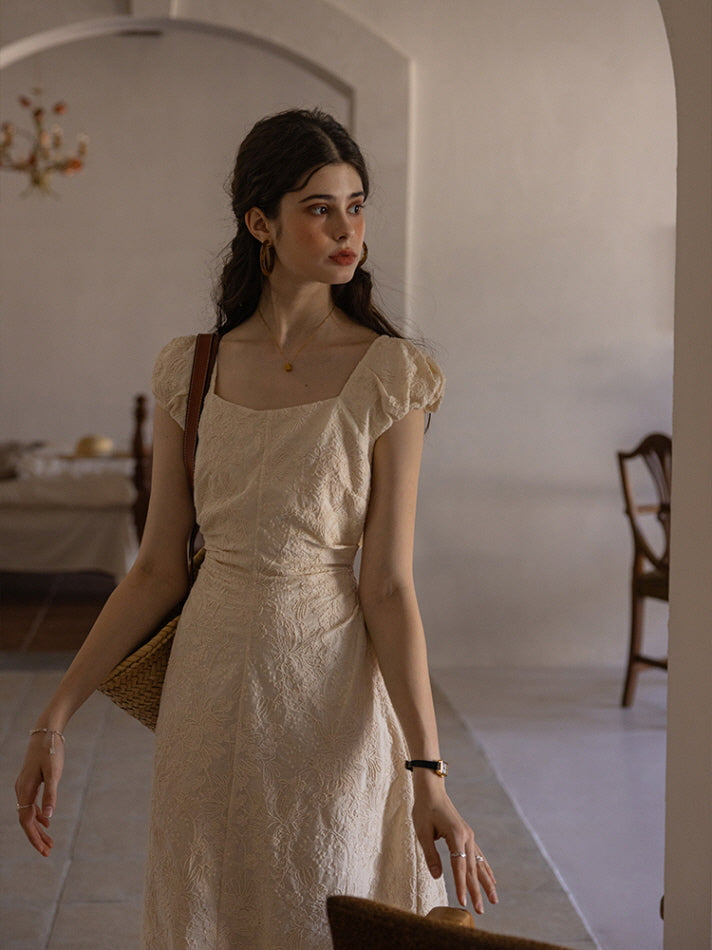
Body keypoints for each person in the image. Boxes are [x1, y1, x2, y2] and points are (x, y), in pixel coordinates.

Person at [15, 108, 498, 949]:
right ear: (260, 223)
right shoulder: (190, 366)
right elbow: (156, 569)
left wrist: (429, 774)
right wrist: (54, 716)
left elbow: (386, 585)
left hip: (330, 693)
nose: (348, 229)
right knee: (203, 912)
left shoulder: (392, 374)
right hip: (207, 690)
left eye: (357, 205)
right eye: (319, 207)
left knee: (327, 899)